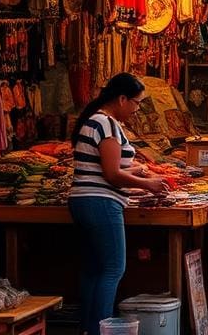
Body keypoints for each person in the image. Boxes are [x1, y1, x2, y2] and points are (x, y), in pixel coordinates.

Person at [69, 73, 169, 335]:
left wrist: (137, 169)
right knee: (114, 268)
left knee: (94, 269)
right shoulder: (106, 123)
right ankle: (102, 327)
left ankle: (89, 328)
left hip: (82, 201)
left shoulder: (94, 120)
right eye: (136, 103)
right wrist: (149, 185)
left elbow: (109, 165)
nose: (137, 110)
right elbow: (112, 174)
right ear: (122, 99)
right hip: (101, 202)